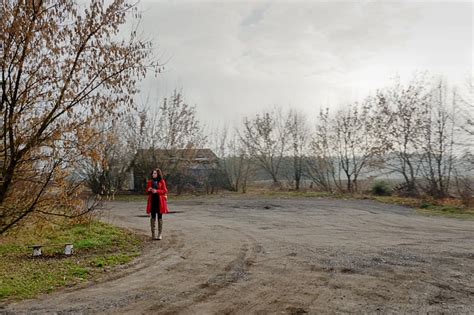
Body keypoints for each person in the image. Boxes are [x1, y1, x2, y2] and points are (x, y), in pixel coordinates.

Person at [146, 168, 169, 240]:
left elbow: (165, 191)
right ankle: (153, 234)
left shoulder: (162, 181)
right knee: (152, 217)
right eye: (153, 173)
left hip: (160, 201)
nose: (153, 174)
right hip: (152, 201)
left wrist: (157, 191)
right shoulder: (150, 181)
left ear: (158, 174)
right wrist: (149, 190)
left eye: (155, 173)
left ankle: (159, 234)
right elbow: (147, 191)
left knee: (159, 217)